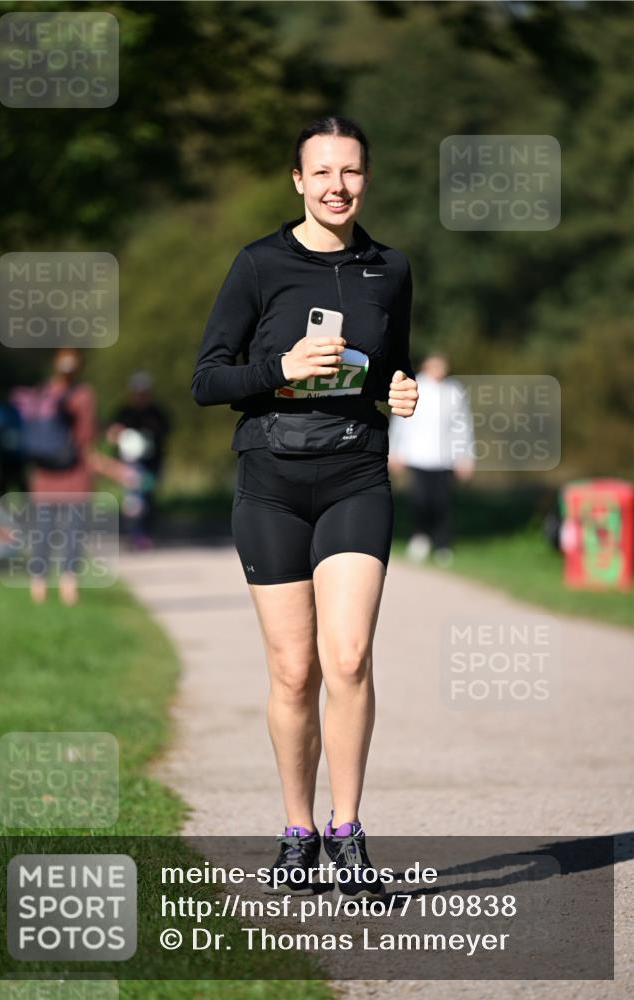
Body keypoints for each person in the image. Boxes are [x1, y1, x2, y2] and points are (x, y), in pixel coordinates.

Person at [191, 116, 418, 898]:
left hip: (354, 475)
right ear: (297, 180)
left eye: (349, 171)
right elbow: (207, 380)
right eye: (321, 172)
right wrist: (279, 368)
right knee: (293, 672)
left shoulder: (390, 268)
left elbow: (390, 366)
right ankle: (298, 830)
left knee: (346, 658)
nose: (336, 186)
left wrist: (401, 390)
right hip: (271, 484)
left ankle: (347, 829)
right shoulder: (259, 264)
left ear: (366, 178)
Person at [19, 348, 98, 606]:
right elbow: (86, 437)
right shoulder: (83, 395)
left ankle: (38, 587)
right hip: (75, 475)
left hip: (43, 476)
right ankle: (68, 588)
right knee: (73, 533)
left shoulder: (40, 392)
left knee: (42, 533)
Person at [388, 351, 474, 566]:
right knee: (419, 500)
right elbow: (401, 420)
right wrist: (395, 450)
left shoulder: (454, 390)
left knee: (442, 503)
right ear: (426, 366)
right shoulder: (414, 385)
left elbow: (463, 426)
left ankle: (442, 544)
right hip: (417, 455)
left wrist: (465, 456)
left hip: (444, 457)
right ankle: (420, 537)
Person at [106, 371, 171, 549]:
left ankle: (145, 533)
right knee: (133, 501)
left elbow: (165, 433)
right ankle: (135, 535)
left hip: (151, 463)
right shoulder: (124, 413)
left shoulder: (156, 413)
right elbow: (111, 435)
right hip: (130, 465)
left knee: (147, 498)